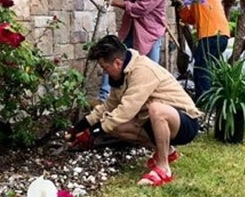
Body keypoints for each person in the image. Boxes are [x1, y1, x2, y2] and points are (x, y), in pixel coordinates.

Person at [71, 35, 201, 187]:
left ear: (117, 63)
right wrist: (78, 128)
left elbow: (127, 109)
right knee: (116, 125)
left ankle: (163, 168)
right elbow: (108, 106)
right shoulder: (123, 74)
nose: (104, 72)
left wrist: (92, 133)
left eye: (105, 67)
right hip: (153, 123)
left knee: (156, 109)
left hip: (184, 122)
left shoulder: (142, 70)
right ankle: (168, 151)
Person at [98, 0, 167, 100]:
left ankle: (147, 103)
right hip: (129, 27)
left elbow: (141, 9)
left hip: (149, 32)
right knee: (113, 56)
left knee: (148, 70)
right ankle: (104, 97)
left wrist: (117, 2)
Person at [167, 0, 230, 102]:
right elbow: (191, 19)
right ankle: (207, 99)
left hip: (213, 36)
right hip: (214, 36)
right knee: (203, 68)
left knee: (201, 69)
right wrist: (181, 7)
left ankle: (204, 101)